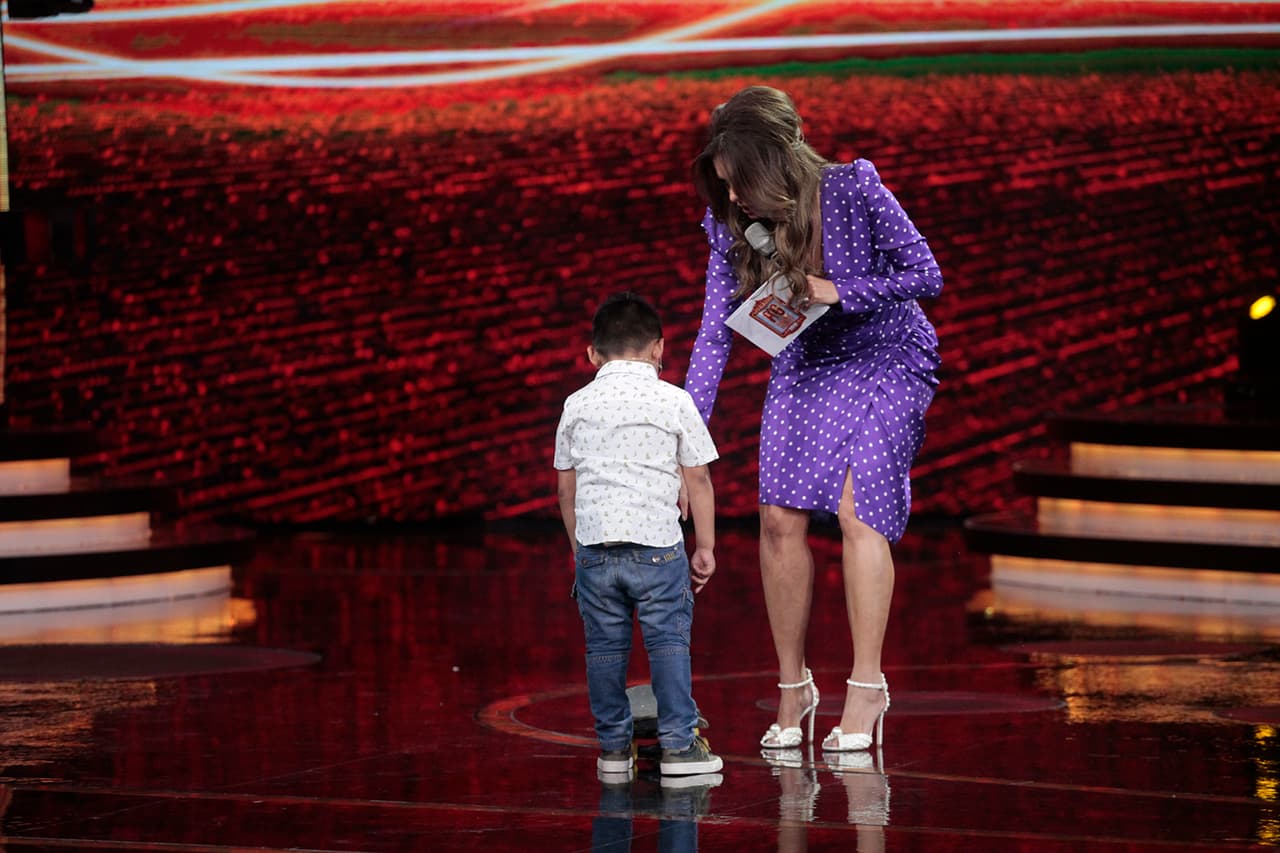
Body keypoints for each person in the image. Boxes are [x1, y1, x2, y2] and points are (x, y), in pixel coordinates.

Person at [685, 85, 943, 754]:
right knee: (778, 520)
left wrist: (839, 289)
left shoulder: (853, 188)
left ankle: (866, 688)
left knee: (859, 511)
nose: (735, 198)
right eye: (725, 186)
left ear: (774, 160)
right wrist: (683, 434)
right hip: (808, 359)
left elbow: (926, 273)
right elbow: (714, 337)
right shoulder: (730, 225)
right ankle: (793, 685)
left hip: (888, 351)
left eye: (740, 181)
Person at [555, 291, 724, 777]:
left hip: (595, 550)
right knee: (668, 642)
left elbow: (567, 489)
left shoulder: (576, 403)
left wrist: (578, 550)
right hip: (657, 549)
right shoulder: (673, 400)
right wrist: (706, 546)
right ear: (658, 349)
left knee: (604, 649)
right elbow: (698, 479)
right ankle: (677, 746)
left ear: (592, 354)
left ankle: (612, 749)